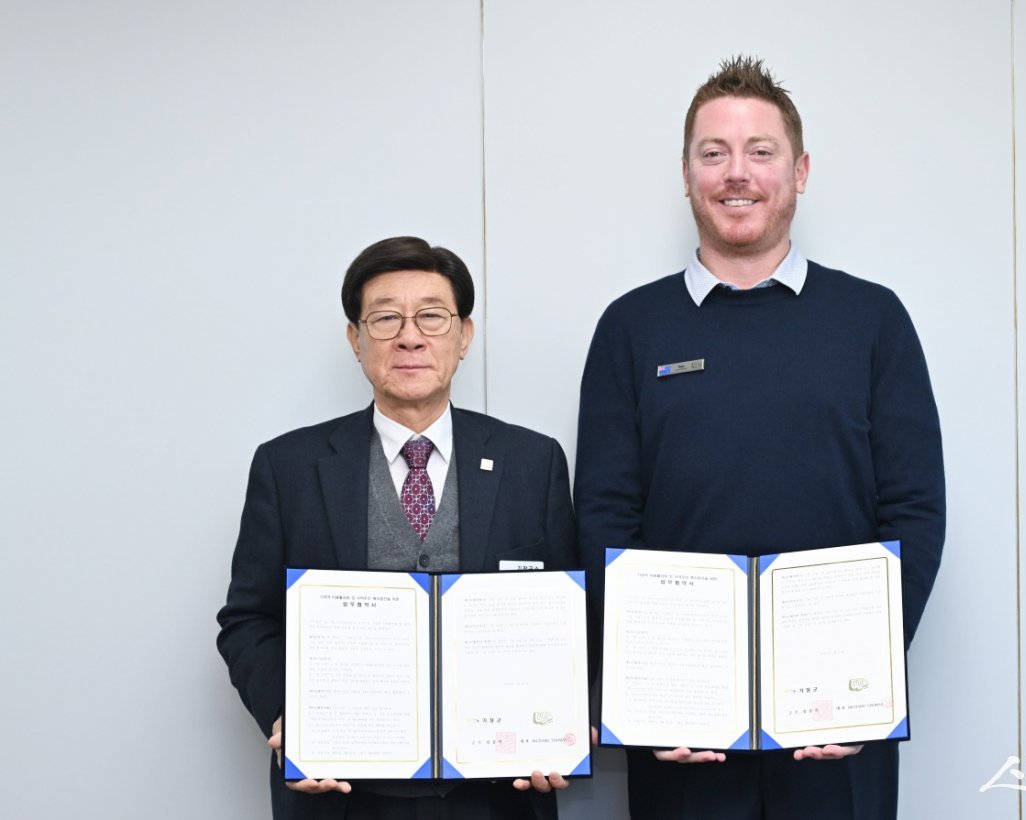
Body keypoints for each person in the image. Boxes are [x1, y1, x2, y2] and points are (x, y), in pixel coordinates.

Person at [575, 56, 945, 820]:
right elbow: (604, 520)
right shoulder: (631, 328)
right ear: (686, 173)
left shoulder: (872, 320)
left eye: (760, 152)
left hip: (836, 731)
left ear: (800, 170)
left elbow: (914, 512)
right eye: (714, 153)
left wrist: (864, 683)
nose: (736, 174)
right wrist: (646, 689)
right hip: (682, 734)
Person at [218, 236, 577, 820]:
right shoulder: (287, 467)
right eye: (386, 318)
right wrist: (290, 717)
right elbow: (248, 619)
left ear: (464, 335)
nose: (410, 336)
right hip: (343, 795)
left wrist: (557, 722)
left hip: (495, 792)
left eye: (432, 317)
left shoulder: (533, 463)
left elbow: (568, 618)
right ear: (355, 339)